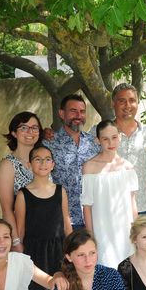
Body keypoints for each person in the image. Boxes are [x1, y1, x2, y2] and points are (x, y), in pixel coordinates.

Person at [14, 145, 72, 290]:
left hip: (59, 251)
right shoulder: (23, 194)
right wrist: (22, 259)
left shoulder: (60, 191)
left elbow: (67, 225)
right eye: (38, 159)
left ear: (53, 164)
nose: (43, 163)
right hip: (36, 253)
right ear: (29, 164)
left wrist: (72, 251)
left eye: (47, 159)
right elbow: (20, 230)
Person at [81, 120, 138, 267]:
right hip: (102, 233)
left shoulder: (128, 167)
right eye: (105, 139)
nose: (110, 142)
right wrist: (90, 237)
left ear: (119, 137)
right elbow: (87, 205)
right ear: (98, 140)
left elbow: (132, 204)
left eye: (114, 137)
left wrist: (136, 232)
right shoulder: (89, 167)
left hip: (125, 232)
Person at [43, 94, 99, 229]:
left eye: (82, 111)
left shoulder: (95, 144)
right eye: (73, 111)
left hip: (94, 219)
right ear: (62, 114)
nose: (78, 115)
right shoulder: (49, 144)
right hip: (63, 221)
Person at [107, 83, 146, 216]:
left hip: (145, 208)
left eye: (132, 101)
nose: (128, 106)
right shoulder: (101, 133)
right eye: (122, 101)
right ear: (113, 103)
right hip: (114, 210)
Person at [0, 112, 42, 253]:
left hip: (48, 235)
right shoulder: (8, 165)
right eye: (24, 127)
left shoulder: (44, 160)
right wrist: (16, 242)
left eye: (35, 128)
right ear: (14, 133)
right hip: (24, 236)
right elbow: (7, 210)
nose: (30, 132)